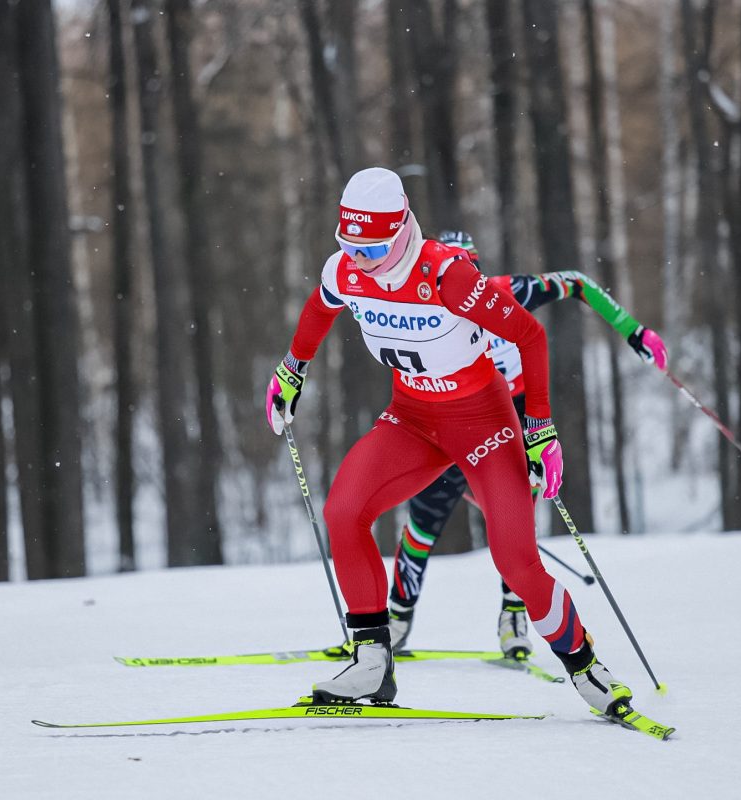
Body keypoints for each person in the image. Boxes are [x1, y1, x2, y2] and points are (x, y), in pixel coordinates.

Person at [264, 167, 633, 717]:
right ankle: (372, 662)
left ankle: (585, 667)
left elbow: (529, 336)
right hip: (411, 417)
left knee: (516, 560)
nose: (359, 260)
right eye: (350, 246)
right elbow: (320, 308)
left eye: (372, 248)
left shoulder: (447, 275)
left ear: (401, 232)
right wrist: (292, 370)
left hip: (482, 420)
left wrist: (540, 428)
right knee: (344, 511)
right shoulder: (346, 270)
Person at [387, 230, 669, 659]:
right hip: (449, 428)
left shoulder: (508, 293)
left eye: (469, 274)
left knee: (515, 523)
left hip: (506, 424)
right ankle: (396, 620)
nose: (462, 291)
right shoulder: (424, 307)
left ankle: (513, 616)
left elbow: (576, 281)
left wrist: (633, 331)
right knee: (423, 523)